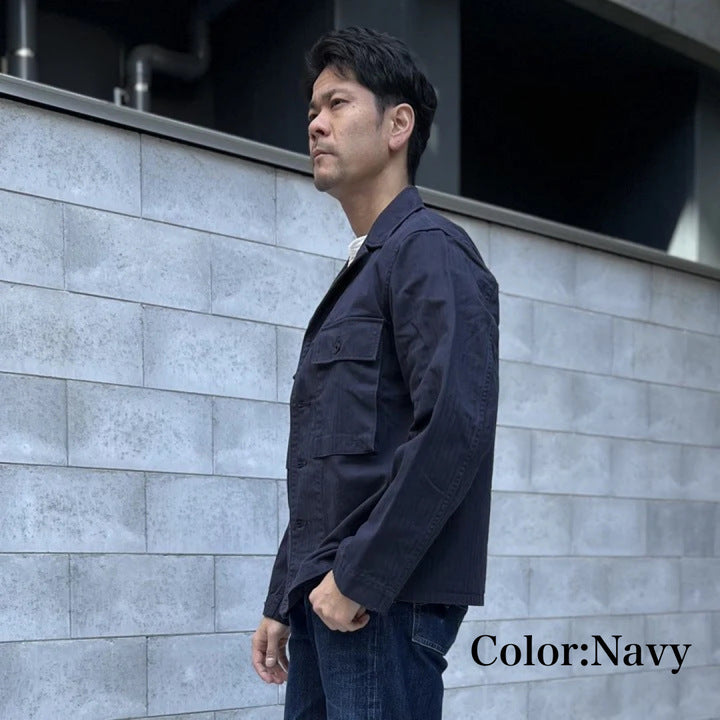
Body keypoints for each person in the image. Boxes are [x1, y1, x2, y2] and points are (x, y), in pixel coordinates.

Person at [251, 25, 499, 719]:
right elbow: (333, 468)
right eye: (312, 110)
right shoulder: (368, 270)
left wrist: (360, 577)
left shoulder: (430, 251)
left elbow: (454, 426)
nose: (315, 124)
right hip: (331, 601)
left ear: (398, 125)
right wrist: (284, 596)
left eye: (337, 104)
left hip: (379, 605)